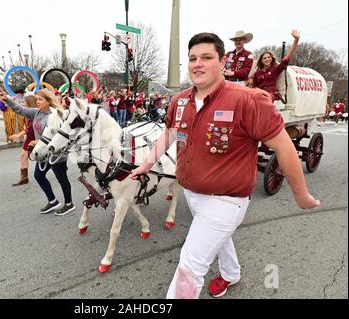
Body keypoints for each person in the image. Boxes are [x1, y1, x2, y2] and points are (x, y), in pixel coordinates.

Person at [129, 32, 320, 299]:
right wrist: (146, 164)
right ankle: (231, 274)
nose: (198, 63)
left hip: (226, 200)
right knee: (219, 238)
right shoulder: (179, 100)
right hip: (193, 194)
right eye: (193, 58)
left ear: (222, 62)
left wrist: (302, 195)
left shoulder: (248, 100)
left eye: (207, 57)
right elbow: (171, 133)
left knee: (190, 266)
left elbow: (284, 147)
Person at [0, 88, 75, 216]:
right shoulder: (36, 113)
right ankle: (53, 201)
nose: (37, 101)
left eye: (40, 99)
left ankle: (69, 204)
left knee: (62, 178)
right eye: (36, 99)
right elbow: (20, 110)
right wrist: (7, 100)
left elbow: (59, 136)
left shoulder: (56, 115)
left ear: (48, 101)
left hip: (56, 153)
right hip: (43, 153)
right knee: (38, 176)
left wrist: (38, 142)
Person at [253, 30, 300, 102]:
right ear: (261, 61)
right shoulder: (257, 73)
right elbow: (254, 87)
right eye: (264, 58)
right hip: (259, 94)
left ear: (272, 59)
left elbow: (287, 57)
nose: (267, 59)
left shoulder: (275, 69)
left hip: (272, 94)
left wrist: (296, 40)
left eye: (269, 57)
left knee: (265, 98)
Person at [9, 95, 37, 186]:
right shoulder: (30, 112)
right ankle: (24, 178)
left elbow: (30, 127)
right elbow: (18, 109)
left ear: (29, 103)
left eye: (25, 102)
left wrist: (18, 135)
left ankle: (59, 167)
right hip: (30, 136)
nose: (23, 103)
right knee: (23, 156)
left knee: (44, 157)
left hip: (34, 136)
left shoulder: (35, 112)